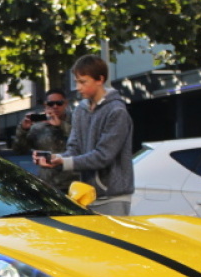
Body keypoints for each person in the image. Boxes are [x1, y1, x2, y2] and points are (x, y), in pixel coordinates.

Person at [36, 55, 134, 215]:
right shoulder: (80, 110)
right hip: (86, 195)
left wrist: (65, 161)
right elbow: (74, 149)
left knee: (110, 240)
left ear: (100, 79)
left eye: (83, 82)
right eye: (76, 82)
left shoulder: (117, 112)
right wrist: (56, 160)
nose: (78, 87)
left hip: (113, 196)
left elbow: (103, 156)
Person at [13, 88, 77, 191]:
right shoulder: (38, 127)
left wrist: (61, 125)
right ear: (45, 105)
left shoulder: (76, 120)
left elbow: (82, 141)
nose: (55, 106)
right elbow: (19, 150)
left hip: (73, 183)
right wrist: (23, 130)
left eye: (59, 103)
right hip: (47, 184)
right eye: (51, 104)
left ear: (66, 104)